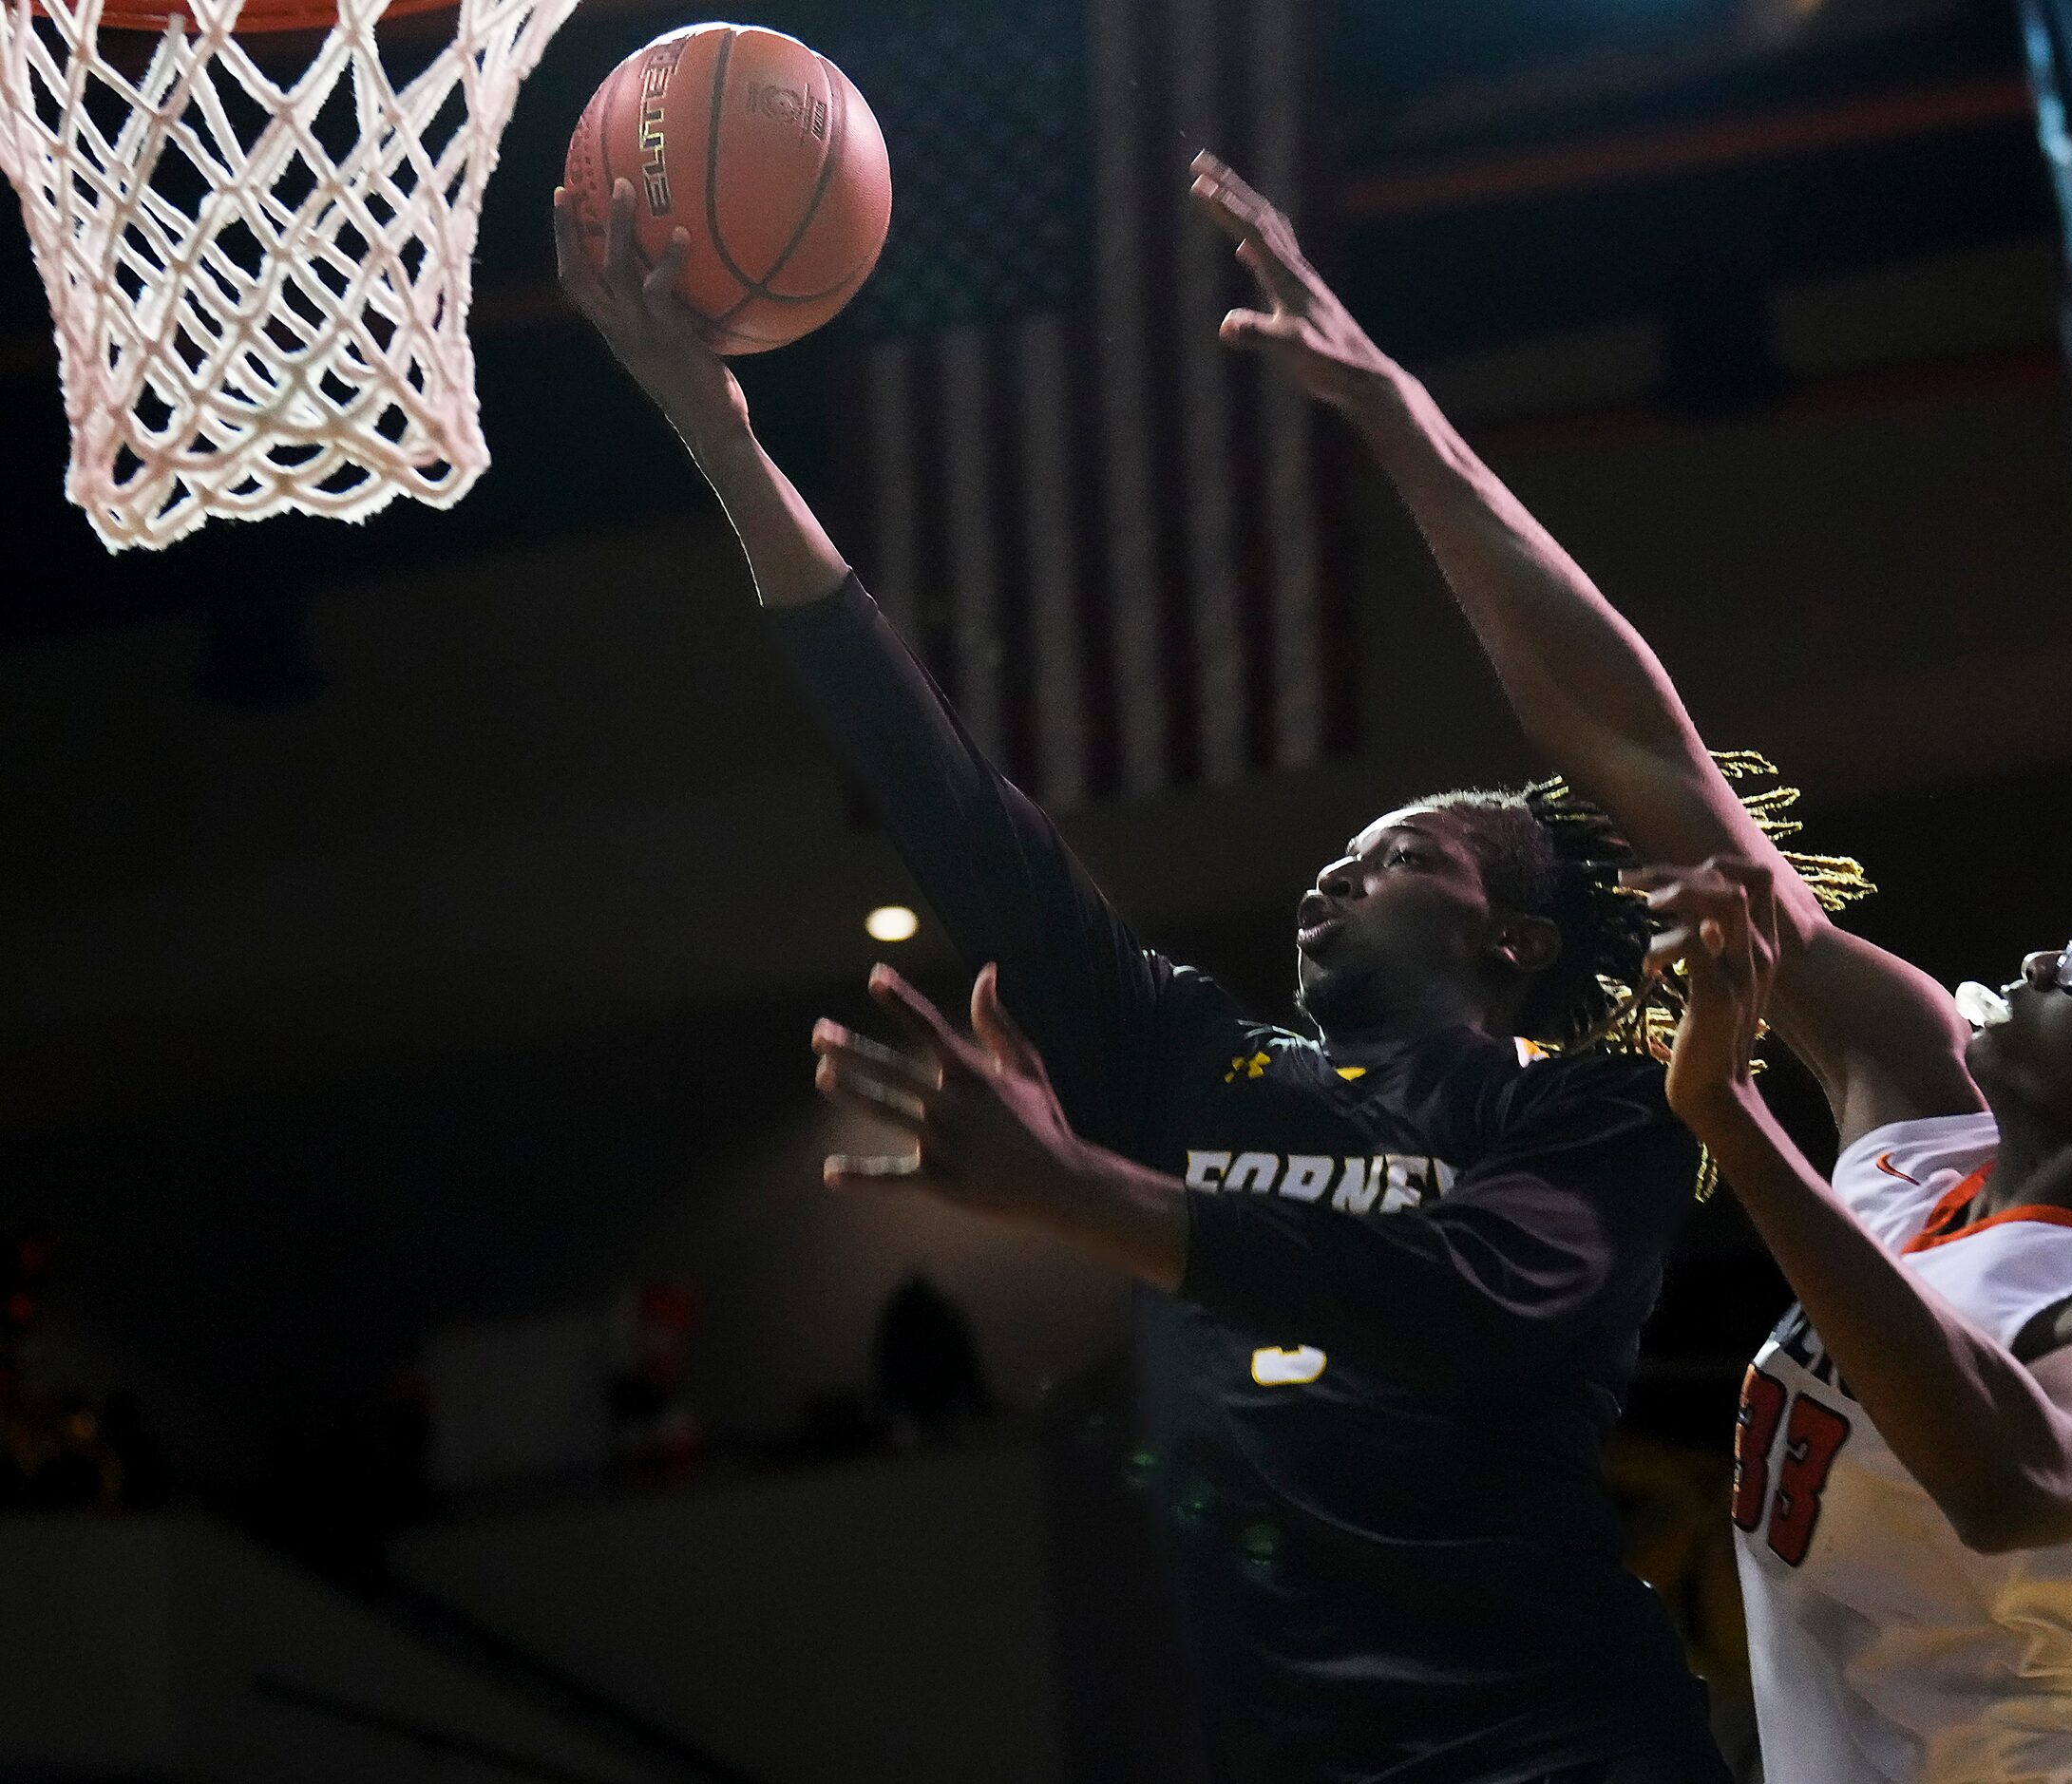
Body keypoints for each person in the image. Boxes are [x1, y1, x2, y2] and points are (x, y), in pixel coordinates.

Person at [551, 171, 1858, 1783]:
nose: (1333, 869)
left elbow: (1456, 1308)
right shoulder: (1185, 1060)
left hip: (1557, 1753)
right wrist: (719, 433)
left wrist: (1079, 1192)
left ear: (1508, 943)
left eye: (1397, 858)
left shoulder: (1603, 1112)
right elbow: (947, 794)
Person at [1188, 156, 2072, 1783]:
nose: (2043, 949)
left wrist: (1736, 1125)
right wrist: (1404, 416)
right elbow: (1636, 746)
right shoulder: (1914, 1082)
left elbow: (2014, 1478)